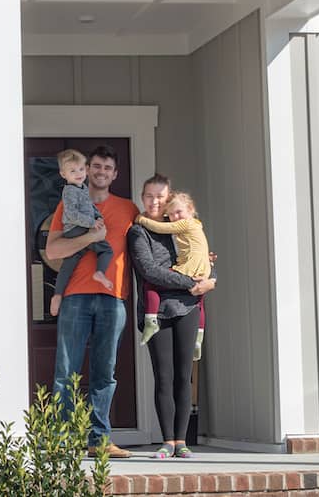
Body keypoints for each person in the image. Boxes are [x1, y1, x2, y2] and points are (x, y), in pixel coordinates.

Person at [44, 145, 137, 458]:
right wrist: (89, 239)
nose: (101, 172)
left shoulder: (129, 209)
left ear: (115, 174)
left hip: (113, 299)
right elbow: (54, 251)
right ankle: (62, 441)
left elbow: (153, 247)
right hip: (75, 297)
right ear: (87, 169)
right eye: (96, 166)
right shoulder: (69, 204)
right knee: (65, 371)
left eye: (107, 168)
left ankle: (99, 440)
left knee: (104, 372)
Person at [128, 175, 216, 459]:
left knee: (183, 377)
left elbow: (201, 257)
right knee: (163, 376)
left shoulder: (178, 228)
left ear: (168, 200)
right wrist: (191, 282)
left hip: (189, 308)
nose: (155, 201)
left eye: (160, 197)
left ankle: (182, 441)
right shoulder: (138, 232)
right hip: (159, 312)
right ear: (142, 198)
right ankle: (166, 440)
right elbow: (149, 271)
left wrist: (211, 278)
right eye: (149, 196)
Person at [133, 191, 210, 360]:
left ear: (190, 209)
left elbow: (161, 227)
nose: (175, 217)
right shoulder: (196, 225)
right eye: (171, 214)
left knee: (150, 284)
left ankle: (151, 320)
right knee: (199, 301)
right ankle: (199, 335)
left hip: (190, 270)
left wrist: (141, 219)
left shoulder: (185, 224)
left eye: (178, 212)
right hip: (202, 269)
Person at [50, 149, 115, 317]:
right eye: (72, 171)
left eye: (80, 169)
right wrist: (92, 223)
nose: (78, 174)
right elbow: (72, 214)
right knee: (106, 249)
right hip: (76, 228)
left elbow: (89, 206)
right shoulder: (70, 191)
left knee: (70, 263)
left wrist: (97, 215)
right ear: (63, 174)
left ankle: (57, 295)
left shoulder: (82, 188)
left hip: (81, 227)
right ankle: (100, 272)